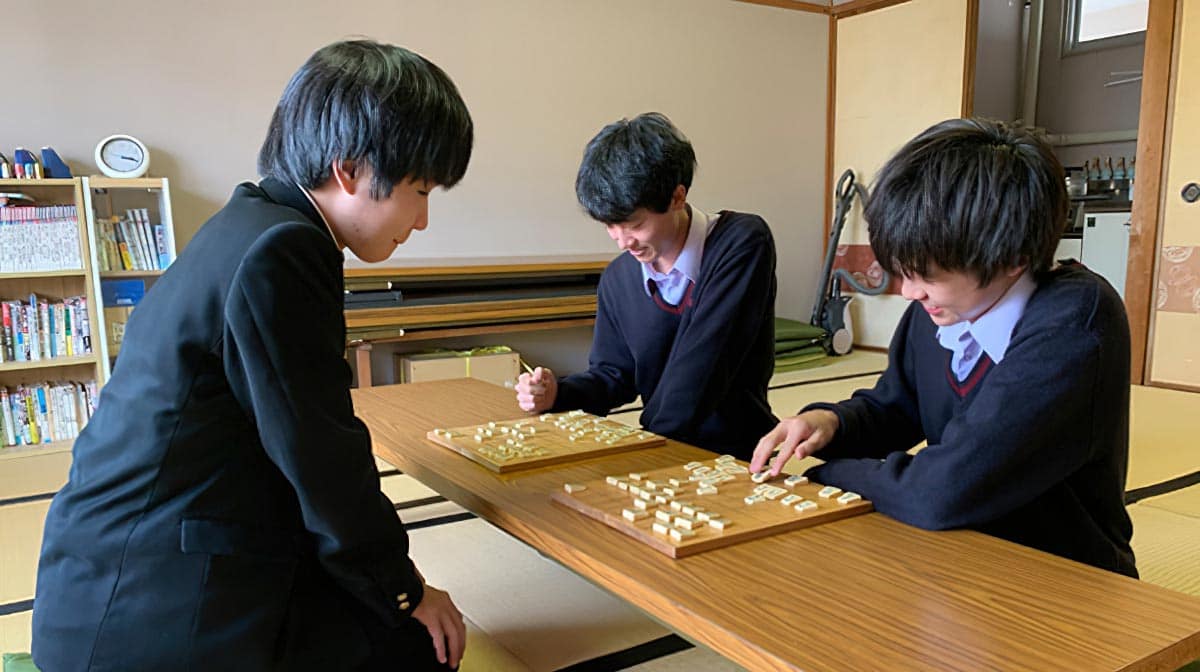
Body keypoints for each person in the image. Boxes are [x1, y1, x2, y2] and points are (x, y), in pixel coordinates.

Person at [33, 40, 474, 670]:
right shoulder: (283, 250)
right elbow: (322, 458)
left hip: (112, 572)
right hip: (148, 603)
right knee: (420, 646)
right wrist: (406, 589)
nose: (423, 219)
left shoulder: (253, 223)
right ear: (350, 169)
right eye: (420, 189)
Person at [751, 118, 1137, 578]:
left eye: (927, 276)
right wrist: (830, 424)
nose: (909, 292)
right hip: (958, 551)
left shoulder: (1075, 322)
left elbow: (944, 488)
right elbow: (897, 407)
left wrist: (827, 477)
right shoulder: (941, 308)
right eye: (903, 271)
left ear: (1012, 260)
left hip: (1065, 575)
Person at [515, 112, 777, 458]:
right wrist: (559, 394)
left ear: (677, 197)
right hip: (660, 448)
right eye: (610, 225)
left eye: (634, 224)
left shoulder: (741, 243)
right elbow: (614, 375)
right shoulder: (618, 278)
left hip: (737, 454)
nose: (622, 241)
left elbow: (705, 366)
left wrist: (641, 448)